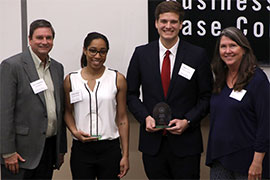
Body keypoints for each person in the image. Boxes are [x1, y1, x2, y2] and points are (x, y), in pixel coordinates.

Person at [126, 1, 213, 179]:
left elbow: (206, 97)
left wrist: (187, 121)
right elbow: (131, 95)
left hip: (186, 144)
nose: (168, 26)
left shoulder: (197, 55)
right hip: (153, 145)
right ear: (156, 23)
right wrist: (145, 118)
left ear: (181, 24)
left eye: (173, 22)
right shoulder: (141, 54)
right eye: (164, 21)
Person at [0, 19, 67, 179]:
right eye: (39, 37)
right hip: (20, 154)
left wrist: (60, 149)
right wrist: (7, 151)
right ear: (30, 39)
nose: (44, 42)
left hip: (48, 149)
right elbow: (4, 111)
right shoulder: (12, 66)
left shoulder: (57, 67)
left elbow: (60, 110)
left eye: (49, 38)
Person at [206, 27, 269, 180]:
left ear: (244, 49)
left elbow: (266, 123)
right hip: (219, 158)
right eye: (223, 46)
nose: (228, 51)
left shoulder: (257, 80)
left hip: (247, 162)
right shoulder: (219, 78)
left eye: (233, 45)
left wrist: (257, 161)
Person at [64, 32, 129, 179]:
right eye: (93, 50)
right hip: (82, 149)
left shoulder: (117, 79)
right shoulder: (71, 79)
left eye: (102, 51)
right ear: (85, 50)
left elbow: (123, 118)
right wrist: (75, 132)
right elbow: (67, 112)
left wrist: (125, 155)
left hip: (110, 148)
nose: (97, 56)